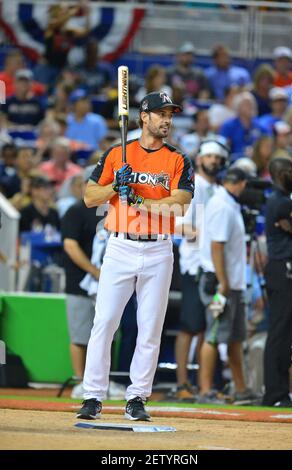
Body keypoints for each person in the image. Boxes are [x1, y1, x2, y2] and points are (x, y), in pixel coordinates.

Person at [77, 91, 194, 421]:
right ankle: (93, 395)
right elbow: (89, 197)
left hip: (159, 248)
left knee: (150, 328)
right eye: (161, 114)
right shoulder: (117, 153)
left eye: (170, 114)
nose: (167, 120)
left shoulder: (178, 159)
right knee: (105, 322)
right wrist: (116, 186)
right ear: (144, 117)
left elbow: (181, 203)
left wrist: (140, 201)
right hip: (121, 246)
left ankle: (138, 397)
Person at [174, 138, 228, 400]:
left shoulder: (219, 190)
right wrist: (203, 236)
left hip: (212, 268)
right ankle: (183, 383)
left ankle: (203, 383)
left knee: (208, 327)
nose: (214, 162)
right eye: (209, 157)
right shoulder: (192, 188)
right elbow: (177, 225)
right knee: (189, 326)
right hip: (193, 266)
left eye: (217, 158)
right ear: (200, 160)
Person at [199, 167, 256, 404]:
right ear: (241, 184)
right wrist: (223, 283)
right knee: (213, 334)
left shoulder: (228, 203)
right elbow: (216, 246)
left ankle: (241, 388)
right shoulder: (222, 206)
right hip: (219, 285)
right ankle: (204, 391)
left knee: (234, 337)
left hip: (231, 284)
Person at [61, 168, 101, 399]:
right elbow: (70, 245)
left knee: (103, 334)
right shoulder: (76, 211)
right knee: (80, 335)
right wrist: (94, 271)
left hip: (104, 284)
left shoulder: (109, 210)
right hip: (80, 282)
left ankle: (96, 381)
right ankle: (79, 381)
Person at [263, 157, 292, 407]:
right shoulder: (282, 202)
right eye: (291, 170)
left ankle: (280, 393)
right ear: (278, 174)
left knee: (287, 333)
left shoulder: (285, 201)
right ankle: (275, 394)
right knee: (280, 331)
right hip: (284, 270)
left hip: (288, 270)